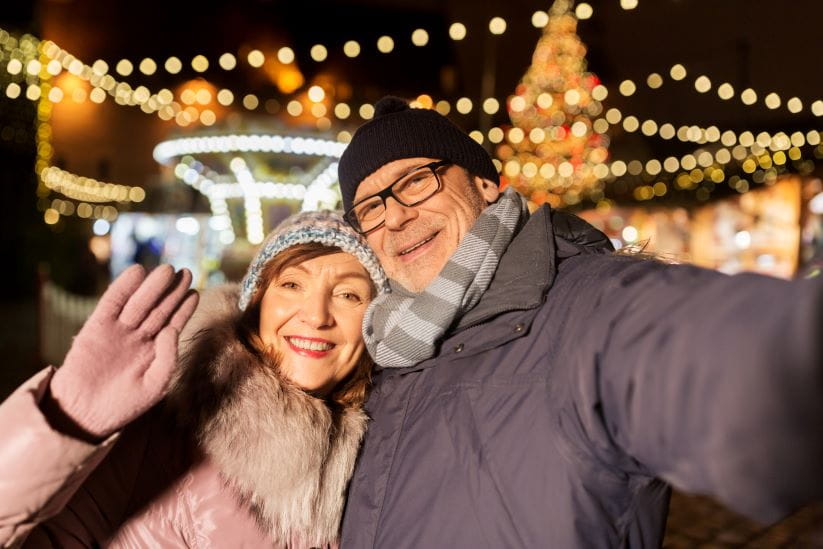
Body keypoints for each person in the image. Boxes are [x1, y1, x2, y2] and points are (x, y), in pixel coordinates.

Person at [334, 96, 823, 548]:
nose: (395, 217)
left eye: (417, 180)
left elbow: (745, 361)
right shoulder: (371, 355)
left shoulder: (591, 307)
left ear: (484, 183)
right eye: (370, 207)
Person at [0, 211, 386, 548]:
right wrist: (63, 420)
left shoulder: (388, 454)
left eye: (349, 295)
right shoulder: (164, 428)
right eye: (291, 285)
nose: (317, 315)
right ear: (256, 303)